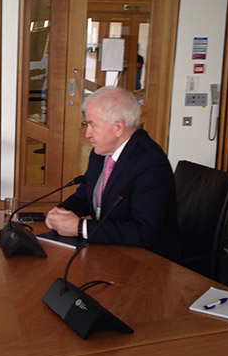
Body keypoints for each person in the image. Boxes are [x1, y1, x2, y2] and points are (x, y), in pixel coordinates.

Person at [45, 86, 179, 260]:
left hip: (147, 260)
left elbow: (143, 232)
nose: (87, 134)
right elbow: (86, 195)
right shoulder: (102, 151)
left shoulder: (150, 164)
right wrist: (61, 212)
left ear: (118, 127)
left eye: (93, 125)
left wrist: (80, 227)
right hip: (110, 247)